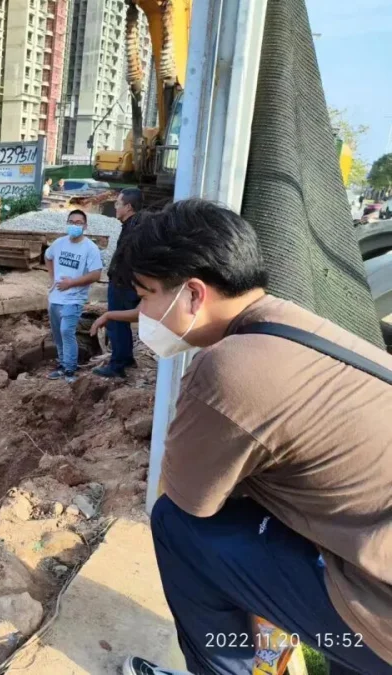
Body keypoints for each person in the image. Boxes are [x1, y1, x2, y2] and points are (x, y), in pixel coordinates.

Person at [110, 200, 392, 675]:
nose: (141, 312)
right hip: (377, 562)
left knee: (178, 528)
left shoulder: (230, 367)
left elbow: (192, 503)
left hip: (379, 611)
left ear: (193, 294)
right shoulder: (295, 323)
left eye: (145, 295)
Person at [45, 209, 103, 384]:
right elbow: (48, 256)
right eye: (71, 222)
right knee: (57, 333)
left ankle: (70, 369)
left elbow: (96, 274)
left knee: (66, 331)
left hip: (74, 298)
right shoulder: (59, 243)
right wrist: (52, 278)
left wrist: (72, 283)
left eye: (79, 223)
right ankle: (62, 365)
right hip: (55, 297)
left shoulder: (90, 248)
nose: (74, 225)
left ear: (85, 226)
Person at [91, 188, 143, 378]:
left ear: (128, 207)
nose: (115, 207)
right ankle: (126, 357)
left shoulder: (134, 229)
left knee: (116, 322)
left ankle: (117, 366)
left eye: (118, 203)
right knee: (121, 322)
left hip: (123, 284)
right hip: (125, 282)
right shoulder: (133, 225)